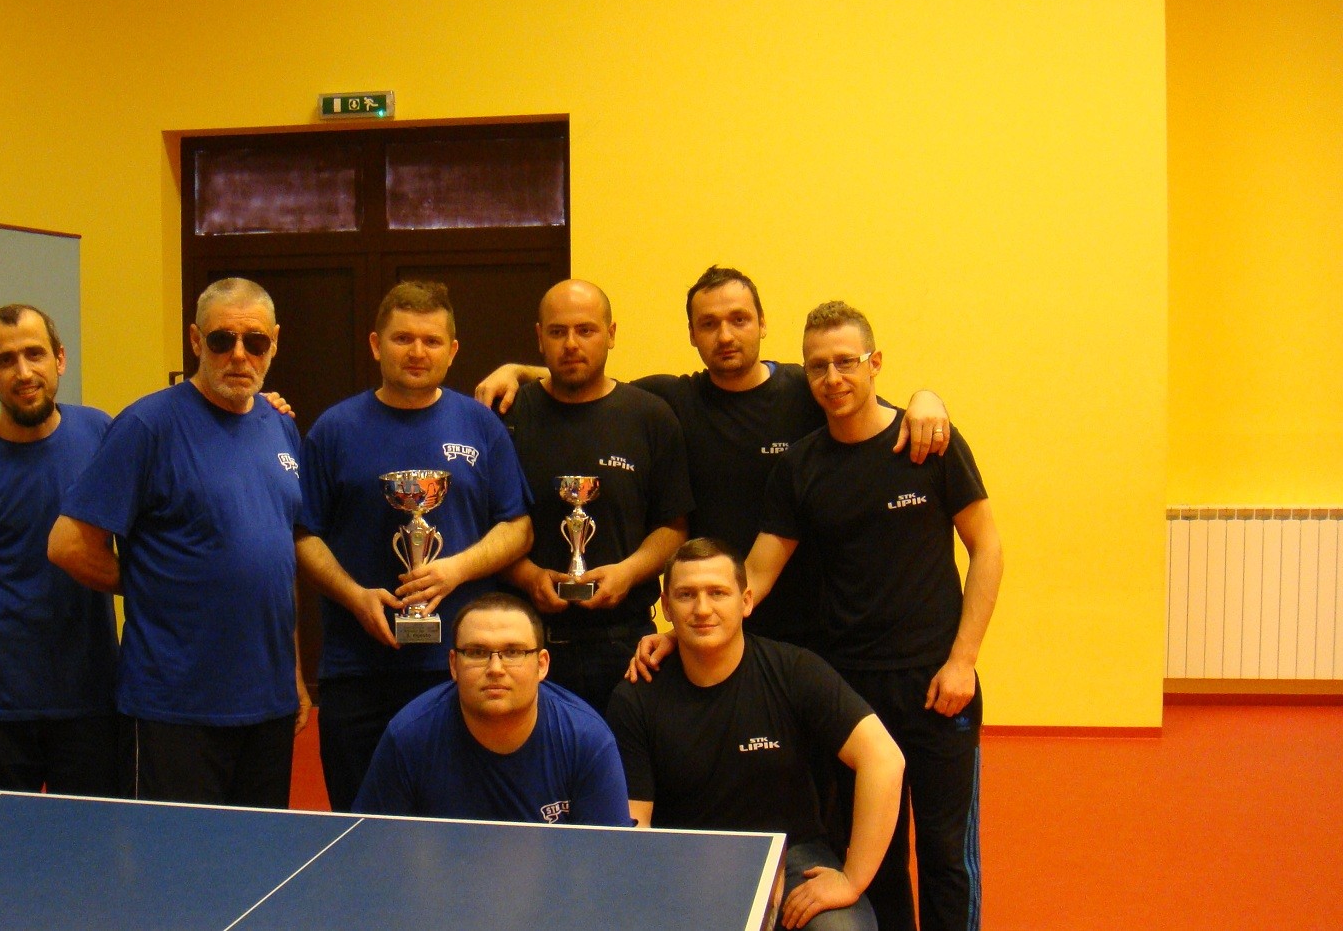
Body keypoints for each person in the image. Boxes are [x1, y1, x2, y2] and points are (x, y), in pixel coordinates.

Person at [477, 265, 951, 645]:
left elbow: (871, 410)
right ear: (691, 333)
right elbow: (588, 382)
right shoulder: (668, 402)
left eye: (738, 319)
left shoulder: (805, 390)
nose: (725, 335)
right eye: (709, 324)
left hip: (811, 623)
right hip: (709, 623)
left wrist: (926, 398)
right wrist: (518, 371)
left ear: (762, 323)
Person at [746, 301, 1003, 931]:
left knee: (946, 857)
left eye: (846, 362)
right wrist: (683, 632)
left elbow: (988, 548)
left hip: (938, 686)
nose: (832, 378)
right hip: (851, 691)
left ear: (875, 363)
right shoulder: (800, 466)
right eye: (817, 366)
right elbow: (755, 575)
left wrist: (963, 662)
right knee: (876, 856)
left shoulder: (929, 444)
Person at [48, 277, 309, 807]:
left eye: (255, 341)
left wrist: (296, 675)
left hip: (268, 702)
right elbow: (67, 544)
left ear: (275, 343)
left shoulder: (280, 427)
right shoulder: (147, 425)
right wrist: (151, 581)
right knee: (173, 858)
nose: (239, 355)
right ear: (195, 340)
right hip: (174, 706)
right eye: (222, 340)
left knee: (258, 852)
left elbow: (279, 565)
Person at [294, 281, 533, 812]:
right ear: (376, 344)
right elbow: (304, 536)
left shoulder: (482, 426)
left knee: (458, 824)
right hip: (356, 670)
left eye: (431, 340)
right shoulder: (333, 430)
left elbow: (518, 527)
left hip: (460, 668)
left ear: (453, 350)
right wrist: (355, 596)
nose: (417, 352)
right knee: (359, 826)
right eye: (403, 338)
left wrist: (455, 570)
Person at [608, 539, 904, 931]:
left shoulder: (795, 671)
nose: (702, 608)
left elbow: (884, 759)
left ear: (745, 601)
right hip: (684, 862)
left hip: (791, 857)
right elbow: (637, 829)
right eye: (686, 595)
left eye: (718, 593)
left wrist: (852, 879)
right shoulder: (636, 697)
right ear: (665, 606)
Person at [0, 304, 121, 801]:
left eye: (35, 354)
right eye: (5, 360)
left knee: (91, 842)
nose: (24, 372)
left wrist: (261, 407)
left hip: (90, 698)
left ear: (60, 359)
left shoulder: (103, 436)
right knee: (3, 847)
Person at [498, 279, 693, 716]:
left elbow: (673, 526)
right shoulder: (508, 416)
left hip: (625, 645)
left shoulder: (651, 416)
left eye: (585, 330)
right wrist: (528, 577)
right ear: (539, 338)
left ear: (611, 333)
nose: (571, 344)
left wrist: (628, 573)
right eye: (558, 331)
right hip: (524, 641)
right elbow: (487, 528)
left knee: (623, 760)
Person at [354, 593, 630, 826]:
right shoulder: (407, 737)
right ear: (453, 665)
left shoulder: (588, 741)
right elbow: (373, 851)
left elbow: (606, 861)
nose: (495, 668)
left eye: (513, 652)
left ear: (542, 664)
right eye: (477, 652)